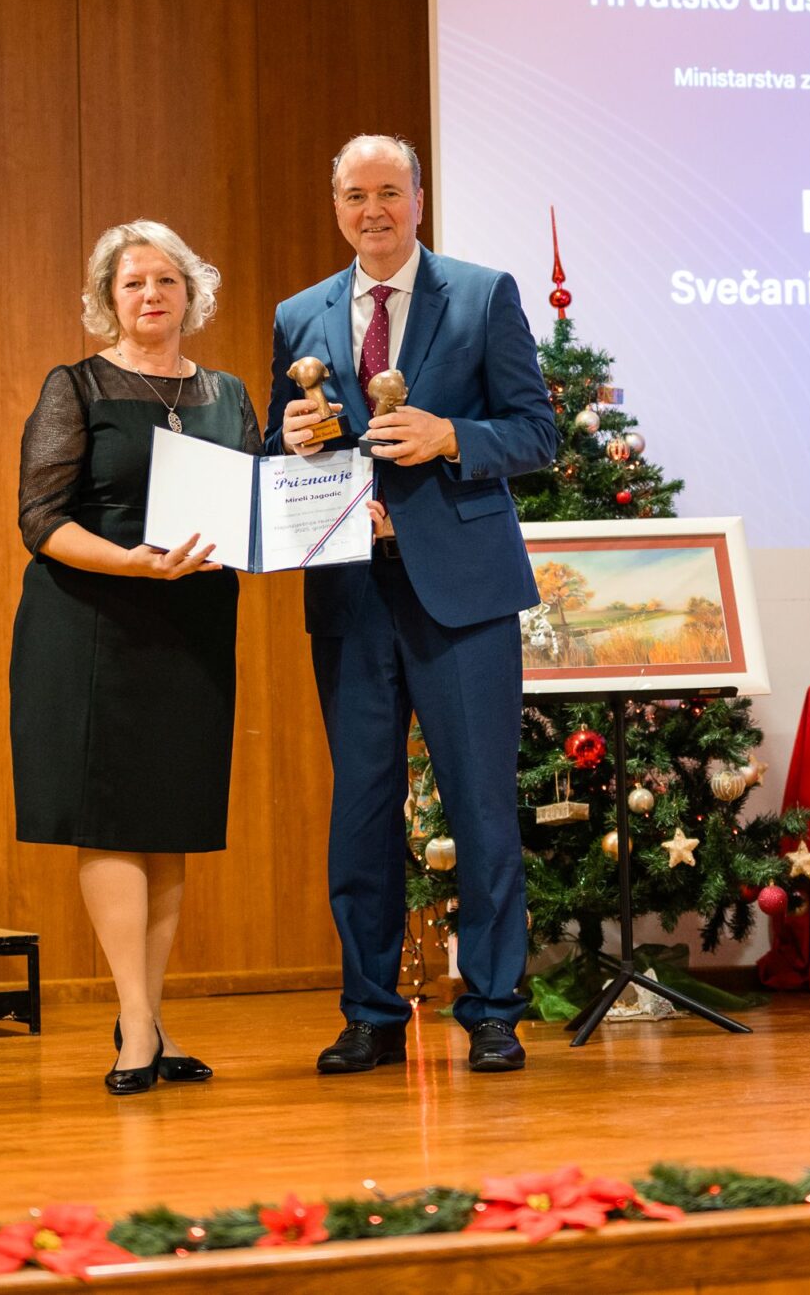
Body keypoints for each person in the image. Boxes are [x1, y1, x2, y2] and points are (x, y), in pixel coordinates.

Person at [268, 134, 560, 1076]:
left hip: (462, 592)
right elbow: (284, 447)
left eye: (389, 192)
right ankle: (371, 1013)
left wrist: (450, 436)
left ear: (419, 200)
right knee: (361, 810)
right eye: (356, 195)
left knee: (481, 804)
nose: (374, 211)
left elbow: (537, 433)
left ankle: (494, 1008)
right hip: (351, 591)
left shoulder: (481, 294)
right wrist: (291, 436)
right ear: (336, 207)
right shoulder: (299, 315)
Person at [10, 220, 256, 1095]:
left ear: (192, 293)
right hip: (92, 624)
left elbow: (257, 503)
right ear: (107, 300)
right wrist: (133, 562)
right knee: (112, 817)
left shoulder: (228, 393)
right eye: (132, 283)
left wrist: (336, 506)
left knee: (168, 822)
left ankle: (145, 1017)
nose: (151, 294)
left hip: (192, 627)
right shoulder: (75, 386)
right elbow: (40, 519)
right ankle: (137, 1028)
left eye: (166, 280)